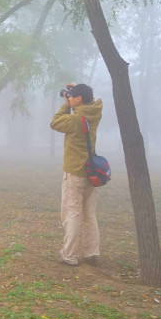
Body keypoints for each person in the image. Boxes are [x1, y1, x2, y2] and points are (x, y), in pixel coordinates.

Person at [50, 83, 103, 267]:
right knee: (89, 214)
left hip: (74, 174)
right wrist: (78, 89)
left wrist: (66, 106)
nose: (69, 98)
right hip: (91, 172)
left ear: (79, 99)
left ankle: (69, 255)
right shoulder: (95, 113)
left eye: (72, 96)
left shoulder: (74, 120)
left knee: (72, 213)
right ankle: (91, 253)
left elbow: (55, 122)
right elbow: (90, 101)